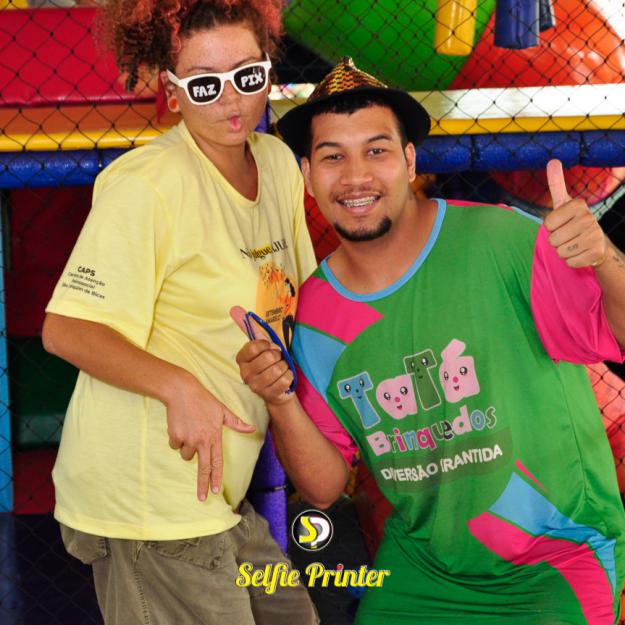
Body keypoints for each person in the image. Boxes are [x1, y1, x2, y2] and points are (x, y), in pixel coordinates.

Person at [233, 57, 625, 625]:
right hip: (424, 569)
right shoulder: (315, 310)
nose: (356, 176)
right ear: (307, 174)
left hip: (557, 560)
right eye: (333, 157)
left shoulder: (502, 241)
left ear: (410, 160)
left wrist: (605, 257)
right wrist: (279, 398)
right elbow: (322, 487)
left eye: (377, 150)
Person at [41, 2, 318, 624]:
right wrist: (178, 386)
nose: (232, 99)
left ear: (269, 70)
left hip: (215, 492)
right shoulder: (147, 185)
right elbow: (65, 329)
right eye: (204, 83)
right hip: (148, 497)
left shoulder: (277, 165)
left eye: (247, 75)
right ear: (172, 92)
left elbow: (305, 297)